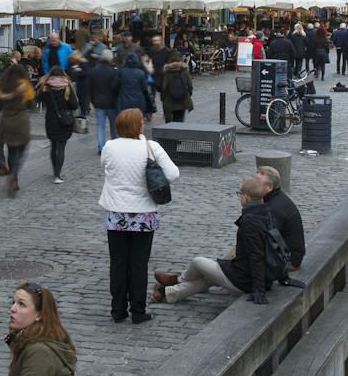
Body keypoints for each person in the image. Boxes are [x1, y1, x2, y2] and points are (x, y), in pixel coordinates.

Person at [98, 108, 179, 324]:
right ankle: (138, 310)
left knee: (118, 263)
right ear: (138, 126)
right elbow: (173, 174)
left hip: (116, 213)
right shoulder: (151, 148)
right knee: (138, 263)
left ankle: (117, 310)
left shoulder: (110, 146)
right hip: (143, 214)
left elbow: (104, 166)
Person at [152, 177, 281, 305]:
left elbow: (256, 255)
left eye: (239, 194)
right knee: (207, 278)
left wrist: (258, 289)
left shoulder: (250, 221)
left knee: (198, 262)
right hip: (253, 274)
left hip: (243, 279)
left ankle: (178, 279)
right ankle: (166, 292)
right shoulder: (266, 212)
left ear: (246, 197)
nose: (239, 197)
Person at [255, 165, 306, 269]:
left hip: (289, 261)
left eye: (256, 184)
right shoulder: (276, 199)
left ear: (269, 187)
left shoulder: (274, 207)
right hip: (289, 256)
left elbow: (266, 237)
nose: (252, 186)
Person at [0, 65, 33, 194]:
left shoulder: (1, 86)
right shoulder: (25, 86)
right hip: (21, 120)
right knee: (21, 150)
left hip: (6, 121)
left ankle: (13, 177)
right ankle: (13, 175)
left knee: (10, 150)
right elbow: (32, 105)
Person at [39, 66, 77, 185]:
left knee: (53, 145)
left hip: (50, 119)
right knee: (61, 147)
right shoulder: (67, 86)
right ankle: (57, 175)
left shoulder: (46, 86)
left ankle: (55, 171)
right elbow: (74, 105)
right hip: (64, 120)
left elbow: (39, 98)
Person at [86, 52, 121, 153]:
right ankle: (115, 145)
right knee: (113, 126)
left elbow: (90, 89)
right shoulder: (114, 72)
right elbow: (116, 88)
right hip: (111, 103)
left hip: (99, 103)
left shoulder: (93, 71)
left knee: (100, 126)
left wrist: (93, 101)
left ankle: (101, 147)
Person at [116, 52, 152, 130]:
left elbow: (116, 85)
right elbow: (145, 88)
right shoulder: (141, 73)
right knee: (137, 122)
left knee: (125, 122)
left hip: (124, 101)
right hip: (138, 101)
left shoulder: (121, 71)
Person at [158, 51, 193, 124]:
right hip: (182, 99)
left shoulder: (167, 72)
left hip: (169, 100)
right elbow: (190, 85)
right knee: (179, 120)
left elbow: (164, 87)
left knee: (169, 122)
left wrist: (163, 98)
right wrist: (188, 94)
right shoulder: (184, 71)